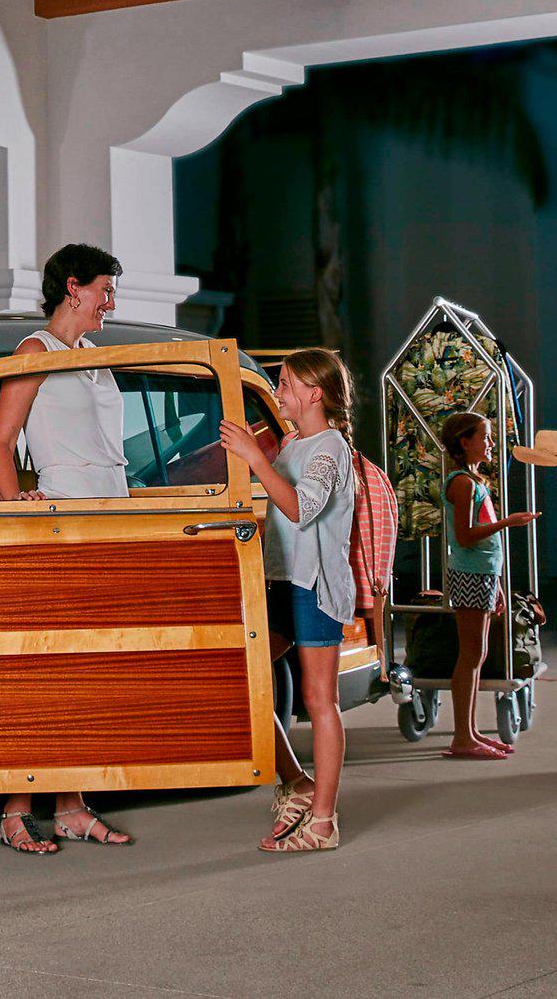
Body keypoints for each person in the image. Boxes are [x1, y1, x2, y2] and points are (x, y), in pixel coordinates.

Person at [0, 242, 132, 855]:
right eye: (104, 289)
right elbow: (0, 442)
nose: (110, 301)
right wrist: (18, 503)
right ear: (73, 288)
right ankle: (17, 809)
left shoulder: (94, 354)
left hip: (110, 514)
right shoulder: (33, 352)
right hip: (62, 517)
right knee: (50, 670)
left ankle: (71, 806)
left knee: (89, 673)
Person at [218, 349, 359, 853]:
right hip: (281, 581)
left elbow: (301, 508)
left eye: (285, 382)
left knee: (321, 701)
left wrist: (255, 458)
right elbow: (276, 501)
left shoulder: (329, 449)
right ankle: (298, 783)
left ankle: (323, 822)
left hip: (315, 585)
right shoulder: (295, 445)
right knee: (244, 678)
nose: (278, 390)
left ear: (314, 393)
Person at [438, 411, 541, 760]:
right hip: (469, 574)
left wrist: (495, 585)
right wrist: (507, 523)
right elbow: (466, 537)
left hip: (480, 576)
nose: (491, 443)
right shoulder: (463, 484)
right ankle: (462, 738)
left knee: (476, 654)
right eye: (485, 437)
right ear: (465, 442)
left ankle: (469, 731)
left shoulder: (474, 481)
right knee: (470, 655)